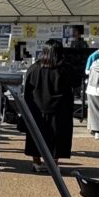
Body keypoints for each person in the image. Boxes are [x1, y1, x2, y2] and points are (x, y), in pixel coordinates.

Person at [22, 40, 80, 172]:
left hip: (37, 108)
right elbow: (76, 82)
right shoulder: (64, 68)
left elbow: (27, 90)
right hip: (59, 109)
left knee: (35, 135)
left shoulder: (34, 68)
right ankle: (53, 163)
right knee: (57, 137)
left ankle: (36, 162)